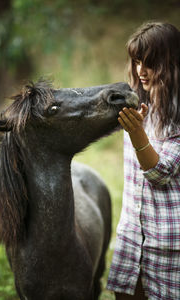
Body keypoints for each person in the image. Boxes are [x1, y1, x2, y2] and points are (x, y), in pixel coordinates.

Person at [107, 22, 180, 300]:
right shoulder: (136, 104)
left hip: (168, 244)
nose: (141, 71)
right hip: (131, 236)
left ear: (171, 63)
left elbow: (159, 173)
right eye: (137, 61)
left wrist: (137, 133)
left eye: (149, 63)